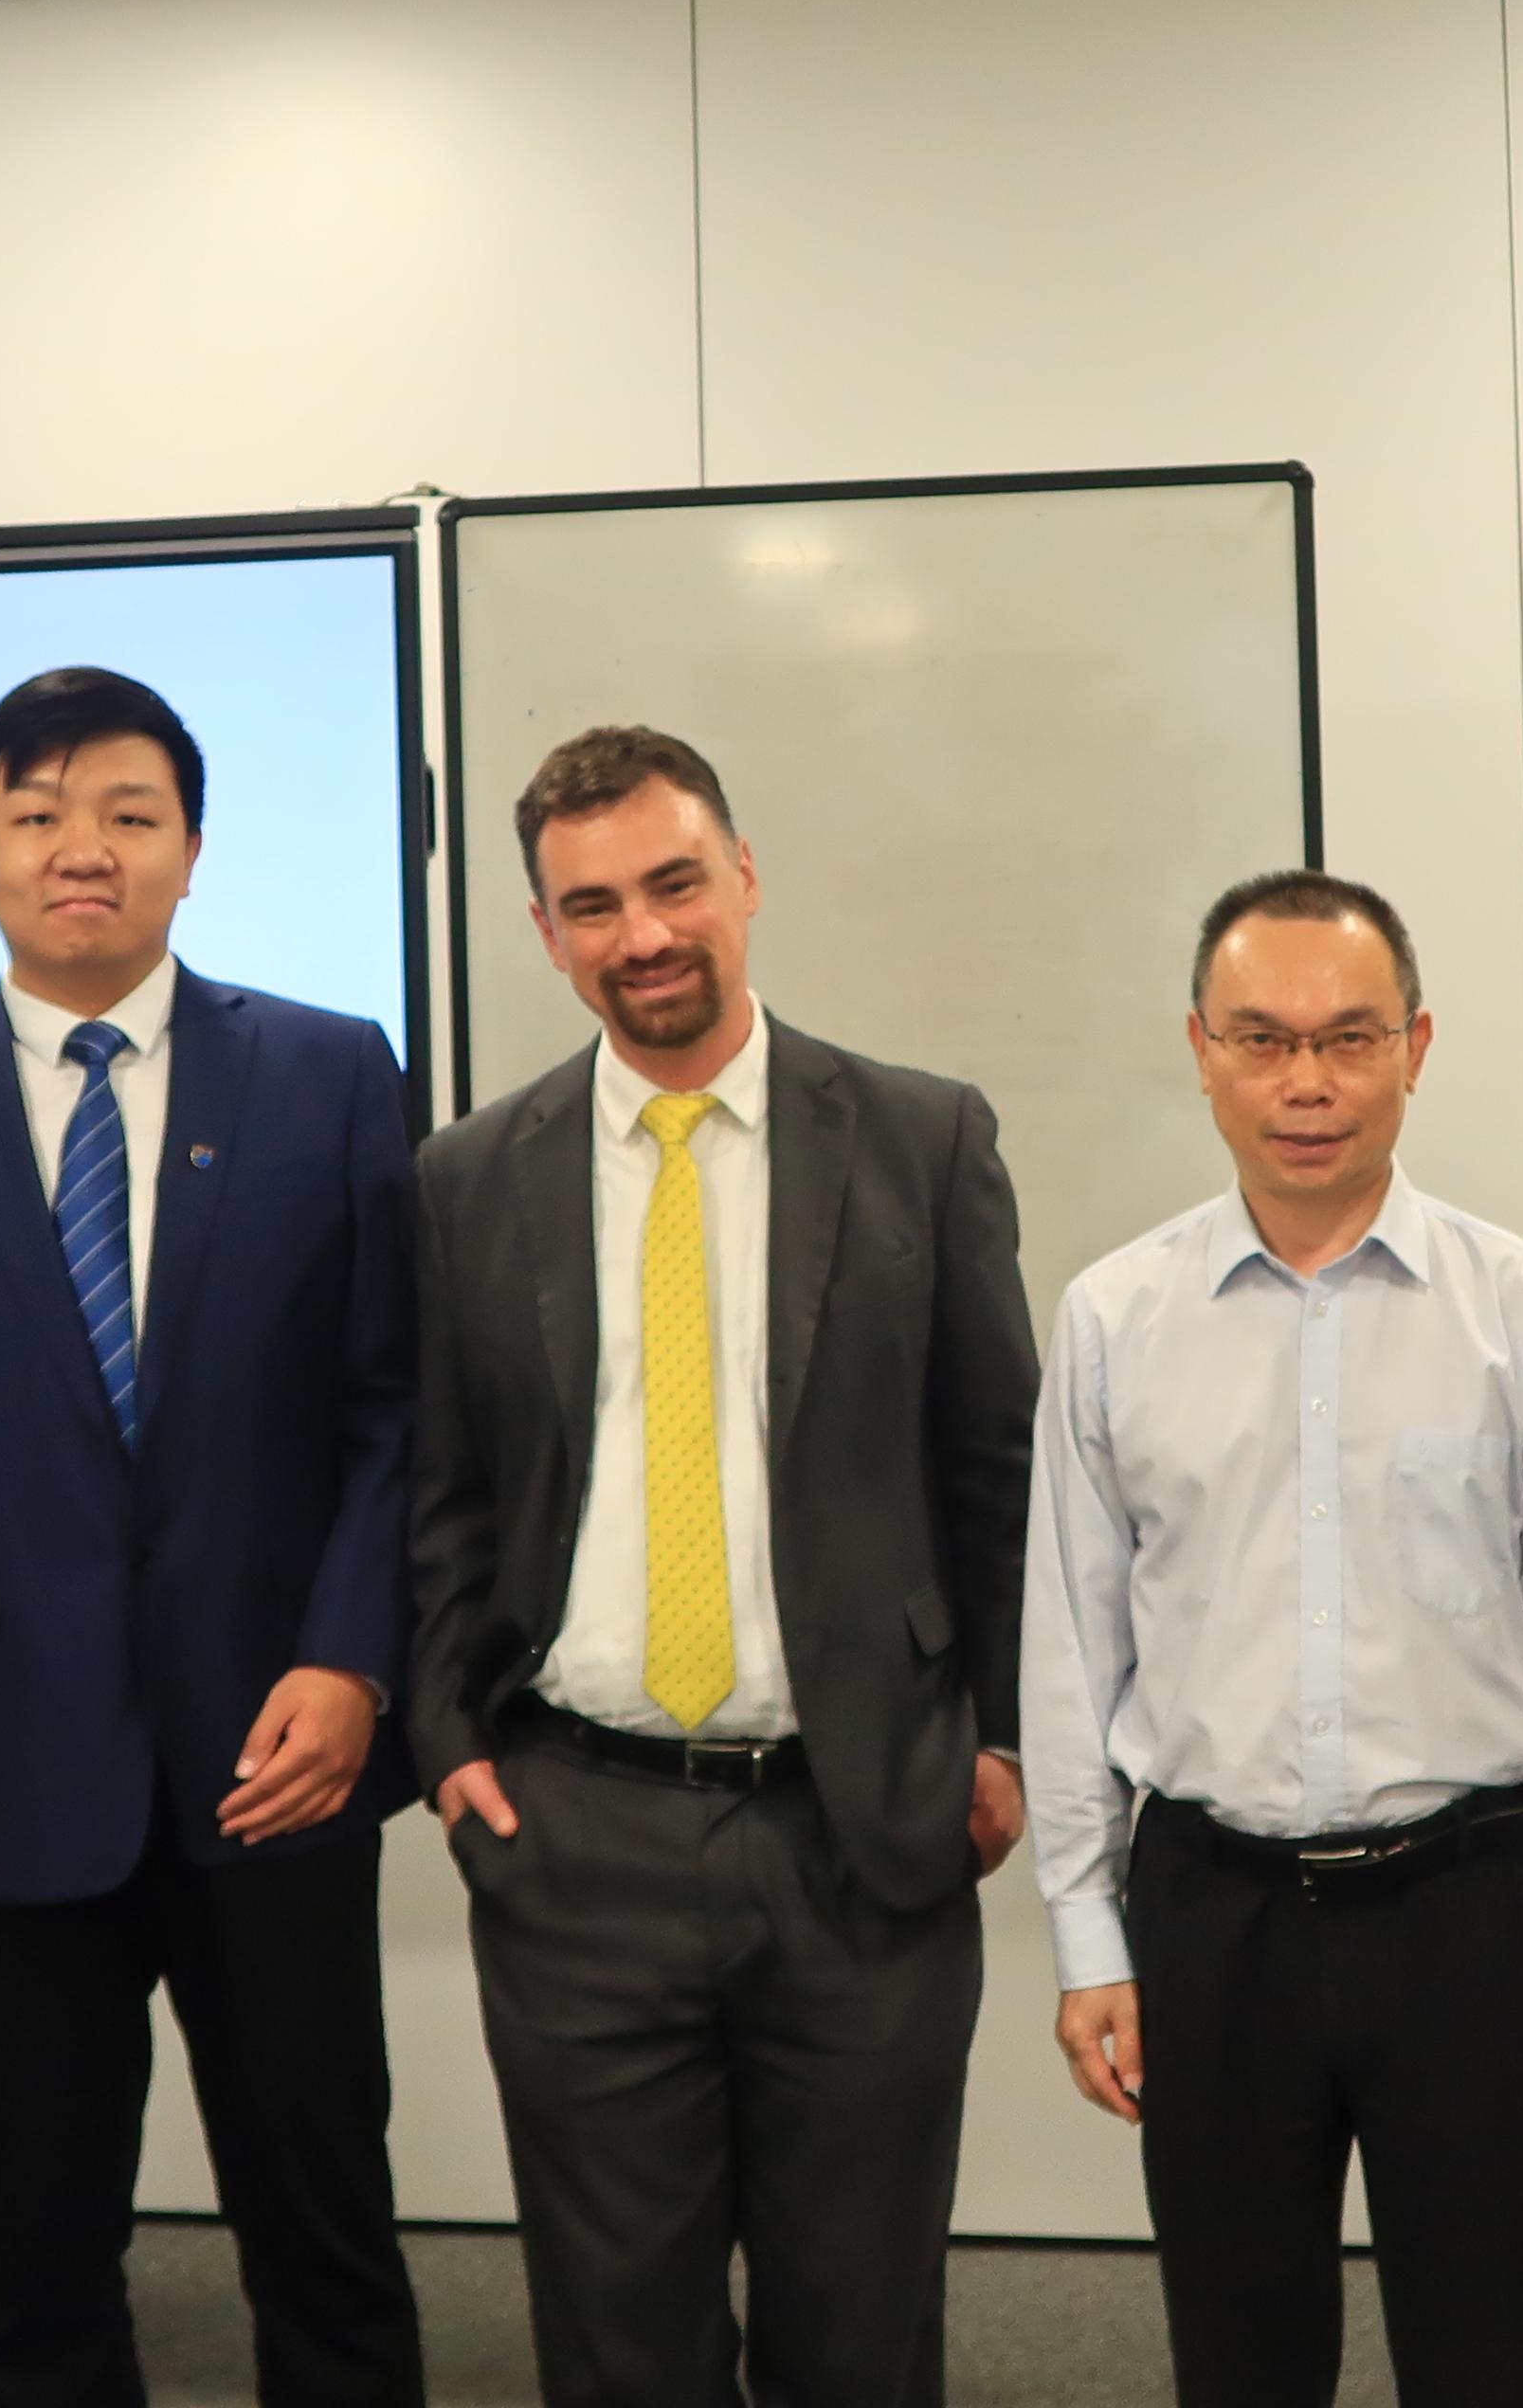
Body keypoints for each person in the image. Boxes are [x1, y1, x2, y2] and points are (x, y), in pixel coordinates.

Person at [0, 666, 426, 2408]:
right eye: (39, 815)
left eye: (131, 815)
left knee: (327, 2228)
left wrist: (355, 1660)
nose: (86, 850)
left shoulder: (329, 1072)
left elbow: (394, 1409)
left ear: (191, 849)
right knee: (42, 2258)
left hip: (277, 1752)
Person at [406, 724, 1037, 2408]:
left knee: (861, 2339)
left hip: (862, 1834)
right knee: (621, 2349)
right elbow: (443, 1493)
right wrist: (449, 1745)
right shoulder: (470, 1178)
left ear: (745, 879)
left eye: (675, 883)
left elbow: (997, 1471)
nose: (645, 935)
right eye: (593, 905)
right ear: (545, 933)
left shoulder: (919, 1139)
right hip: (575, 1839)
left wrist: (1000, 1742)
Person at [1025, 870, 1523, 2408]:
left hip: (1467, 1908)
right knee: (1238, 2358)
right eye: (1260, 1039)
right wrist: (1087, 1935)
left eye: (1348, 1038)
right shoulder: (1114, 1317)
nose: (1305, 1083)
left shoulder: (1521, 1308)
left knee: (1488, 2354)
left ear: (1416, 1048)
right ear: (1200, 1051)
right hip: (1212, 1913)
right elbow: (1071, 1649)